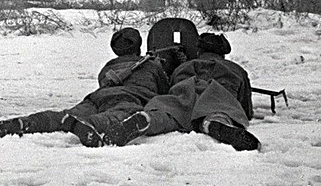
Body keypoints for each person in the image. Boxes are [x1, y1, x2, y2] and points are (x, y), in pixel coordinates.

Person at [0, 27, 169, 147]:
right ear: (138, 46)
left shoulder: (107, 67)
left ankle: (29, 122)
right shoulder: (152, 66)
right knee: (117, 116)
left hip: (97, 97)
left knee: (66, 114)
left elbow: (103, 81)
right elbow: (164, 90)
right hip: (129, 98)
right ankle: (87, 125)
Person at [103, 32, 259, 151]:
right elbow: (245, 106)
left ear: (199, 51)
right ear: (223, 54)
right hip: (218, 93)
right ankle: (214, 123)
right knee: (220, 111)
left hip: (184, 89)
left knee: (170, 112)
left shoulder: (184, 67)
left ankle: (150, 119)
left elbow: (169, 87)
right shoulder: (236, 70)